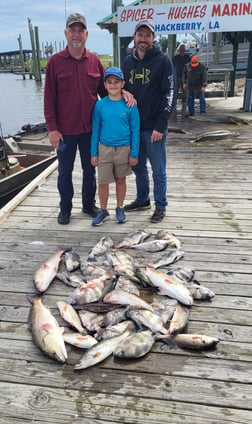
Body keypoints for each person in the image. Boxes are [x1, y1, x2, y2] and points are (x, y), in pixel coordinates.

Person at [44, 13, 134, 225]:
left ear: (87, 34)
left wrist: (125, 94)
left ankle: (87, 204)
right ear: (66, 34)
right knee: (64, 172)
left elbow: (107, 90)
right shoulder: (54, 62)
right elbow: (48, 100)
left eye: (80, 30)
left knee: (89, 170)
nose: (76, 34)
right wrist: (52, 129)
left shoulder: (94, 61)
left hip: (90, 130)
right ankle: (65, 208)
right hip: (65, 132)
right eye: (72, 30)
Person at [123, 20, 175, 223]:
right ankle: (143, 199)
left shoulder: (163, 61)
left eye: (147, 35)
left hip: (154, 128)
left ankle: (160, 205)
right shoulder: (127, 62)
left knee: (158, 170)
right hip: (134, 127)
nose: (143, 39)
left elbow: (169, 93)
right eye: (140, 35)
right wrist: (124, 90)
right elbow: (119, 87)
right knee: (138, 167)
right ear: (134, 37)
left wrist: (160, 125)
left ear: (153, 38)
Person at [90, 67, 140, 226]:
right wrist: (94, 152)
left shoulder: (130, 104)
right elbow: (95, 129)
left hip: (124, 149)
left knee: (120, 180)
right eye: (109, 82)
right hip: (104, 149)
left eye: (117, 82)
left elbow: (135, 130)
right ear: (104, 85)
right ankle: (103, 210)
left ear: (123, 84)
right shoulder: (100, 105)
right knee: (103, 182)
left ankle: (120, 207)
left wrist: (134, 153)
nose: (113, 85)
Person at [172, 43, 191, 113]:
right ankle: (174, 103)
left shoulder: (188, 58)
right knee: (175, 90)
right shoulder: (175, 58)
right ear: (179, 51)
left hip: (185, 77)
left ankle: (184, 103)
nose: (182, 51)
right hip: (177, 76)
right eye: (181, 50)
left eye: (183, 50)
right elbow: (172, 67)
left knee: (185, 91)